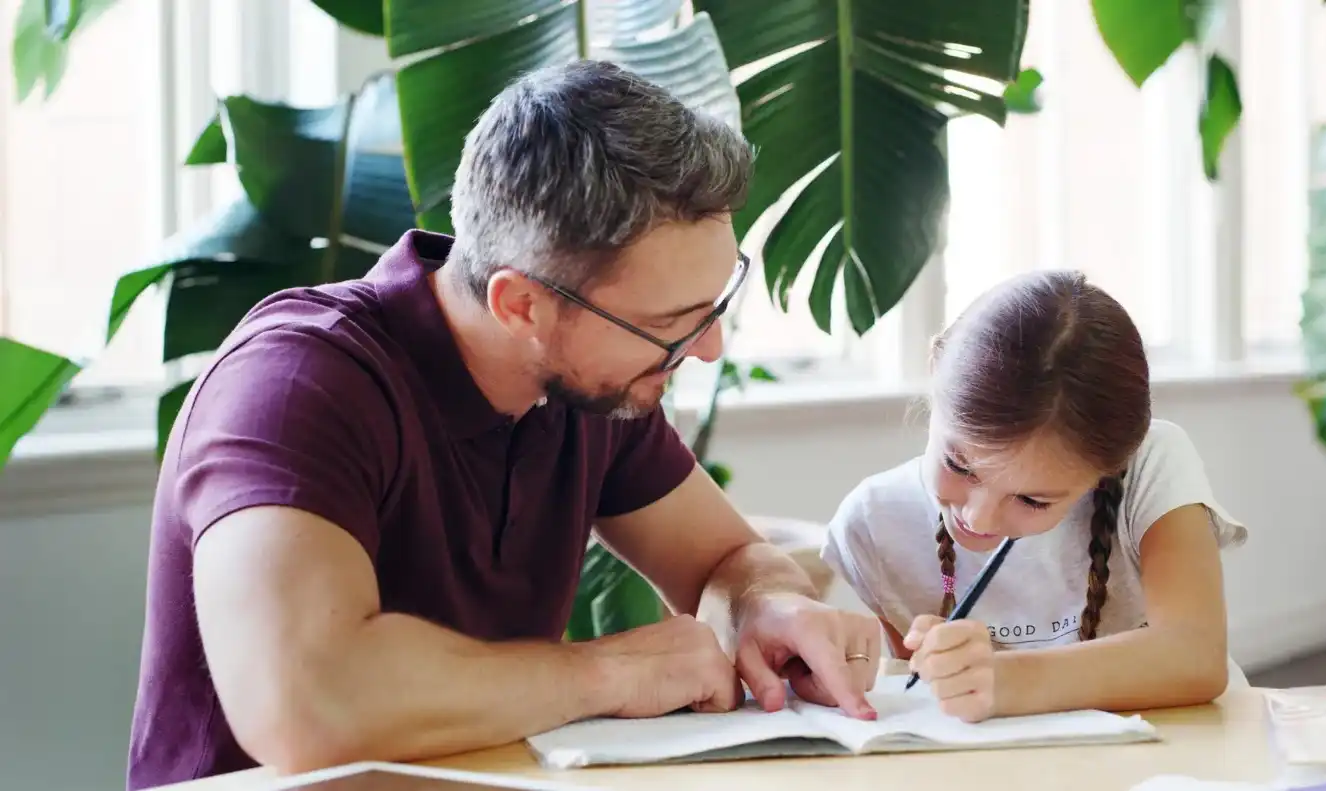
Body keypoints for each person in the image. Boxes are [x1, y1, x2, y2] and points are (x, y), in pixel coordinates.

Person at [127, 60, 881, 790]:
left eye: (713, 308)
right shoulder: (294, 384)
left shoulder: (589, 383)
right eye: (670, 324)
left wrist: (767, 606)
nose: (708, 349)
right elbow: (304, 702)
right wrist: (609, 672)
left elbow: (729, 558)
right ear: (521, 305)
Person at [821, 269, 1249, 724]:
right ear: (934, 374)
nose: (979, 519)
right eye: (960, 466)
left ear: (1111, 467)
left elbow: (1194, 657)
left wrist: (1008, 680)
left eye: (1032, 501)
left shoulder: (1153, 461)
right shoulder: (873, 521)